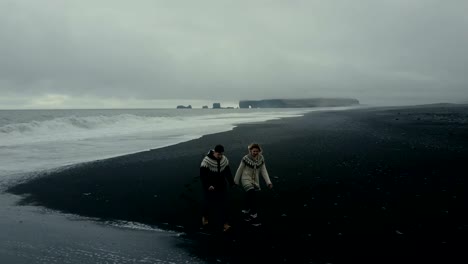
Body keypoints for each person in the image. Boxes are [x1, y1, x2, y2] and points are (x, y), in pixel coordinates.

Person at [234, 143, 273, 226]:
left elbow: (263, 170)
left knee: (251, 196)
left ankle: (246, 210)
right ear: (250, 151)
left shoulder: (261, 158)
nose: (255, 152)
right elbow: (240, 169)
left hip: (255, 181)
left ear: (259, 151)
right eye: (254, 151)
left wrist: (268, 182)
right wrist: (236, 181)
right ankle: (254, 216)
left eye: (257, 151)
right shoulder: (245, 158)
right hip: (245, 179)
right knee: (251, 193)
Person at [200, 144, 235, 232]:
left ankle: (225, 224)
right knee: (209, 202)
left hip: (221, 184)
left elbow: (228, 172)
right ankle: (205, 217)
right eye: (218, 154)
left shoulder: (224, 159)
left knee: (224, 204)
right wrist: (208, 185)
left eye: (221, 154)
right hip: (210, 185)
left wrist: (231, 183)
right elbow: (203, 176)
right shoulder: (206, 161)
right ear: (214, 152)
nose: (220, 156)